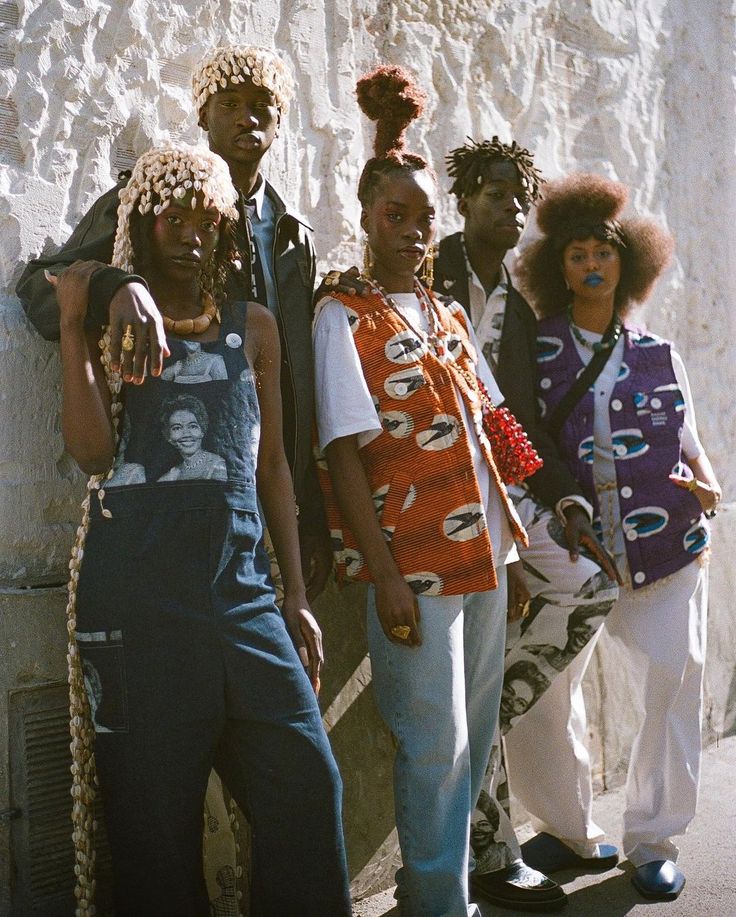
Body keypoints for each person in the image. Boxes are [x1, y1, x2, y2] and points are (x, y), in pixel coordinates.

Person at [51, 144, 351, 917]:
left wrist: (293, 594)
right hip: (140, 608)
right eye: (170, 218)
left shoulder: (253, 327)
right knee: (154, 834)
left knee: (306, 787)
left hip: (243, 600)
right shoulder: (117, 320)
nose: (188, 233)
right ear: (142, 228)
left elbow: (275, 467)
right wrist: (82, 324)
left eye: (204, 220)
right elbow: (89, 452)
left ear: (222, 232)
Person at [313, 64, 542, 917]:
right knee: (432, 740)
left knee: (473, 738)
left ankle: (433, 893)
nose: (411, 232)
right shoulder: (342, 315)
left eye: (422, 220)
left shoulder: (445, 317)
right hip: (414, 564)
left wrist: (512, 547)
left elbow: (487, 438)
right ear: (368, 219)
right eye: (394, 217)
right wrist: (381, 571)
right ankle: (438, 902)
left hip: (483, 554)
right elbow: (341, 452)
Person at [17, 44, 334, 600]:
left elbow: (293, 381)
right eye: (228, 102)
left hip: (264, 500)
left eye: (263, 103)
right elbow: (41, 292)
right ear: (202, 117)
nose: (247, 116)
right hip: (172, 498)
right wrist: (119, 284)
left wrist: (307, 517)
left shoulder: (292, 234)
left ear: (280, 119)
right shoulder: (150, 202)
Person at [513, 171, 721, 901]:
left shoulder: (660, 352)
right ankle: (568, 827)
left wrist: (709, 482)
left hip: (667, 551)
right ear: (558, 267)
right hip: (575, 553)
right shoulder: (532, 353)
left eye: (604, 252)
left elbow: (692, 441)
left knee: (674, 675)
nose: (592, 265)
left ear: (627, 262)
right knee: (544, 688)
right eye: (576, 255)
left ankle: (652, 837)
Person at [436, 137, 621, 904]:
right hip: (436, 495)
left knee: (589, 583)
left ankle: (493, 708)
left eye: (520, 198)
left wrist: (567, 502)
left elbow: (518, 418)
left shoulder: (514, 300)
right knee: (456, 685)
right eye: (495, 193)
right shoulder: (427, 268)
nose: (510, 208)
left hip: (506, 492)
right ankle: (488, 855)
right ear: (464, 200)